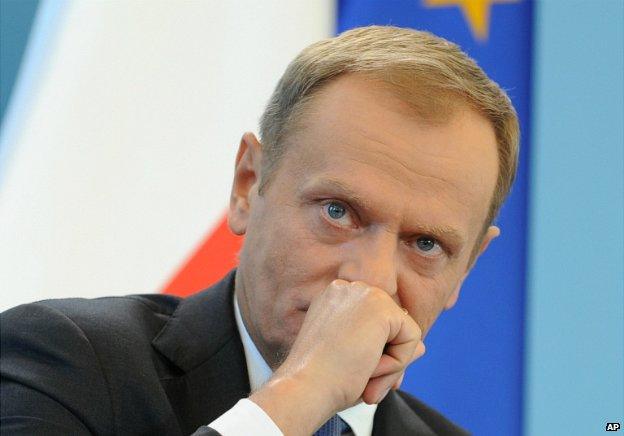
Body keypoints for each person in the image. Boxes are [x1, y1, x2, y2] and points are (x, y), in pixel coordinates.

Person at [0, 25, 519, 435]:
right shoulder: (64, 364)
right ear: (248, 185)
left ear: (466, 269)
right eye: (337, 211)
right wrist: (304, 391)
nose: (372, 281)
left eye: (426, 244)